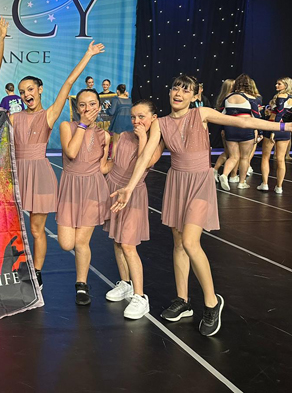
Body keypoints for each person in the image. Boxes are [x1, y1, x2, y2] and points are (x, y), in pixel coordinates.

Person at [110, 75, 292, 336]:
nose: (179, 93)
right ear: (170, 92)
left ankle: (212, 302)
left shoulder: (202, 113)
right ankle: (183, 300)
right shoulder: (160, 124)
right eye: (176, 88)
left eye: (186, 90)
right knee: (178, 243)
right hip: (177, 182)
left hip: (199, 182)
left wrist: (285, 126)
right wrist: (129, 187)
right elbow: (145, 157)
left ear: (195, 95)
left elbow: (246, 121)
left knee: (190, 242)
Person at [13, 40, 105, 290]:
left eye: (30, 89)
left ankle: (37, 274)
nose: (26, 94)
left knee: (36, 230)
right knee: (15, 230)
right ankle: (13, 270)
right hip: (18, 176)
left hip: (40, 177)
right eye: (22, 91)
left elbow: (68, 83)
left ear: (39, 90)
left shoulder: (50, 114)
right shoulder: (12, 118)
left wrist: (88, 54)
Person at [103, 100, 162, 319]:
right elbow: (111, 163)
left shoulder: (157, 143)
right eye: (133, 117)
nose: (136, 121)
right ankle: (125, 283)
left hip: (133, 194)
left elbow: (147, 162)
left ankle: (140, 296)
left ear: (153, 118)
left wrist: (144, 138)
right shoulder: (123, 136)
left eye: (141, 117)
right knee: (118, 241)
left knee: (128, 245)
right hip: (114, 189)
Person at [57, 89, 111, 305]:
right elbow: (71, 152)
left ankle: (81, 284)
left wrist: (128, 161)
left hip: (92, 190)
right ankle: (81, 282)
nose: (87, 109)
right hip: (70, 188)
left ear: (99, 106)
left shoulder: (105, 135)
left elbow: (103, 167)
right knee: (66, 243)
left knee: (81, 242)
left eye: (92, 104)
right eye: (82, 105)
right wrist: (82, 125)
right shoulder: (67, 127)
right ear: (77, 108)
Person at [217, 74, 260, 190]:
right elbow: (256, 117)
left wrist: (222, 129)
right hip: (245, 128)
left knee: (233, 156)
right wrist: (259, 132)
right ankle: (242, 182)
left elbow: (221, 115)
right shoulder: (251, 98)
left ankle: (224, 175)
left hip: (230, 128)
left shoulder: (227, 98)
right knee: (245, 157)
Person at [258, 77, 292, 194]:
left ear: (286, 85)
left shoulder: (281, 96)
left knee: (265, 157)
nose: (276, 86)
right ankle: (279, 186)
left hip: (274, 126)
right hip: (285, 128)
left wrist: (274, 130)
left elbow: (280, 113)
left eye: (279, 84)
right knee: (281, 159)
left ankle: (265, 183)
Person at [212, 79, 235, 180]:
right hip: (228, 128)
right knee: (232, 153)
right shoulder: (228, 99)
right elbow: (223, 116)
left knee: (228, 152)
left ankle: (217, 171)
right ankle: (222, 173)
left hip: (227, 128)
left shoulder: (223, 98)